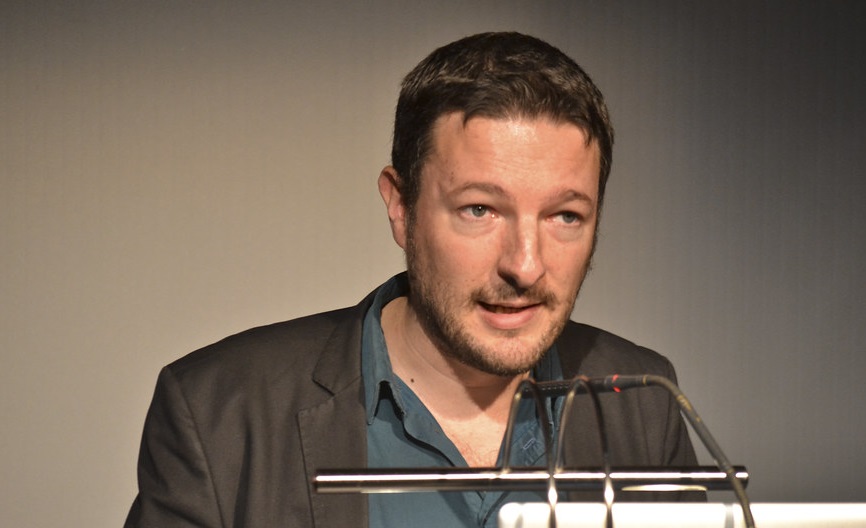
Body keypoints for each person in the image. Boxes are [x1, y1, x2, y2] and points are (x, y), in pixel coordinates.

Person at [125, 32, 699, 528]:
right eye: (479, 209)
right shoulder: (219, 410)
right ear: (401, 206)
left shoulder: (644, 405)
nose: (525, 266)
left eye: (565, 216)